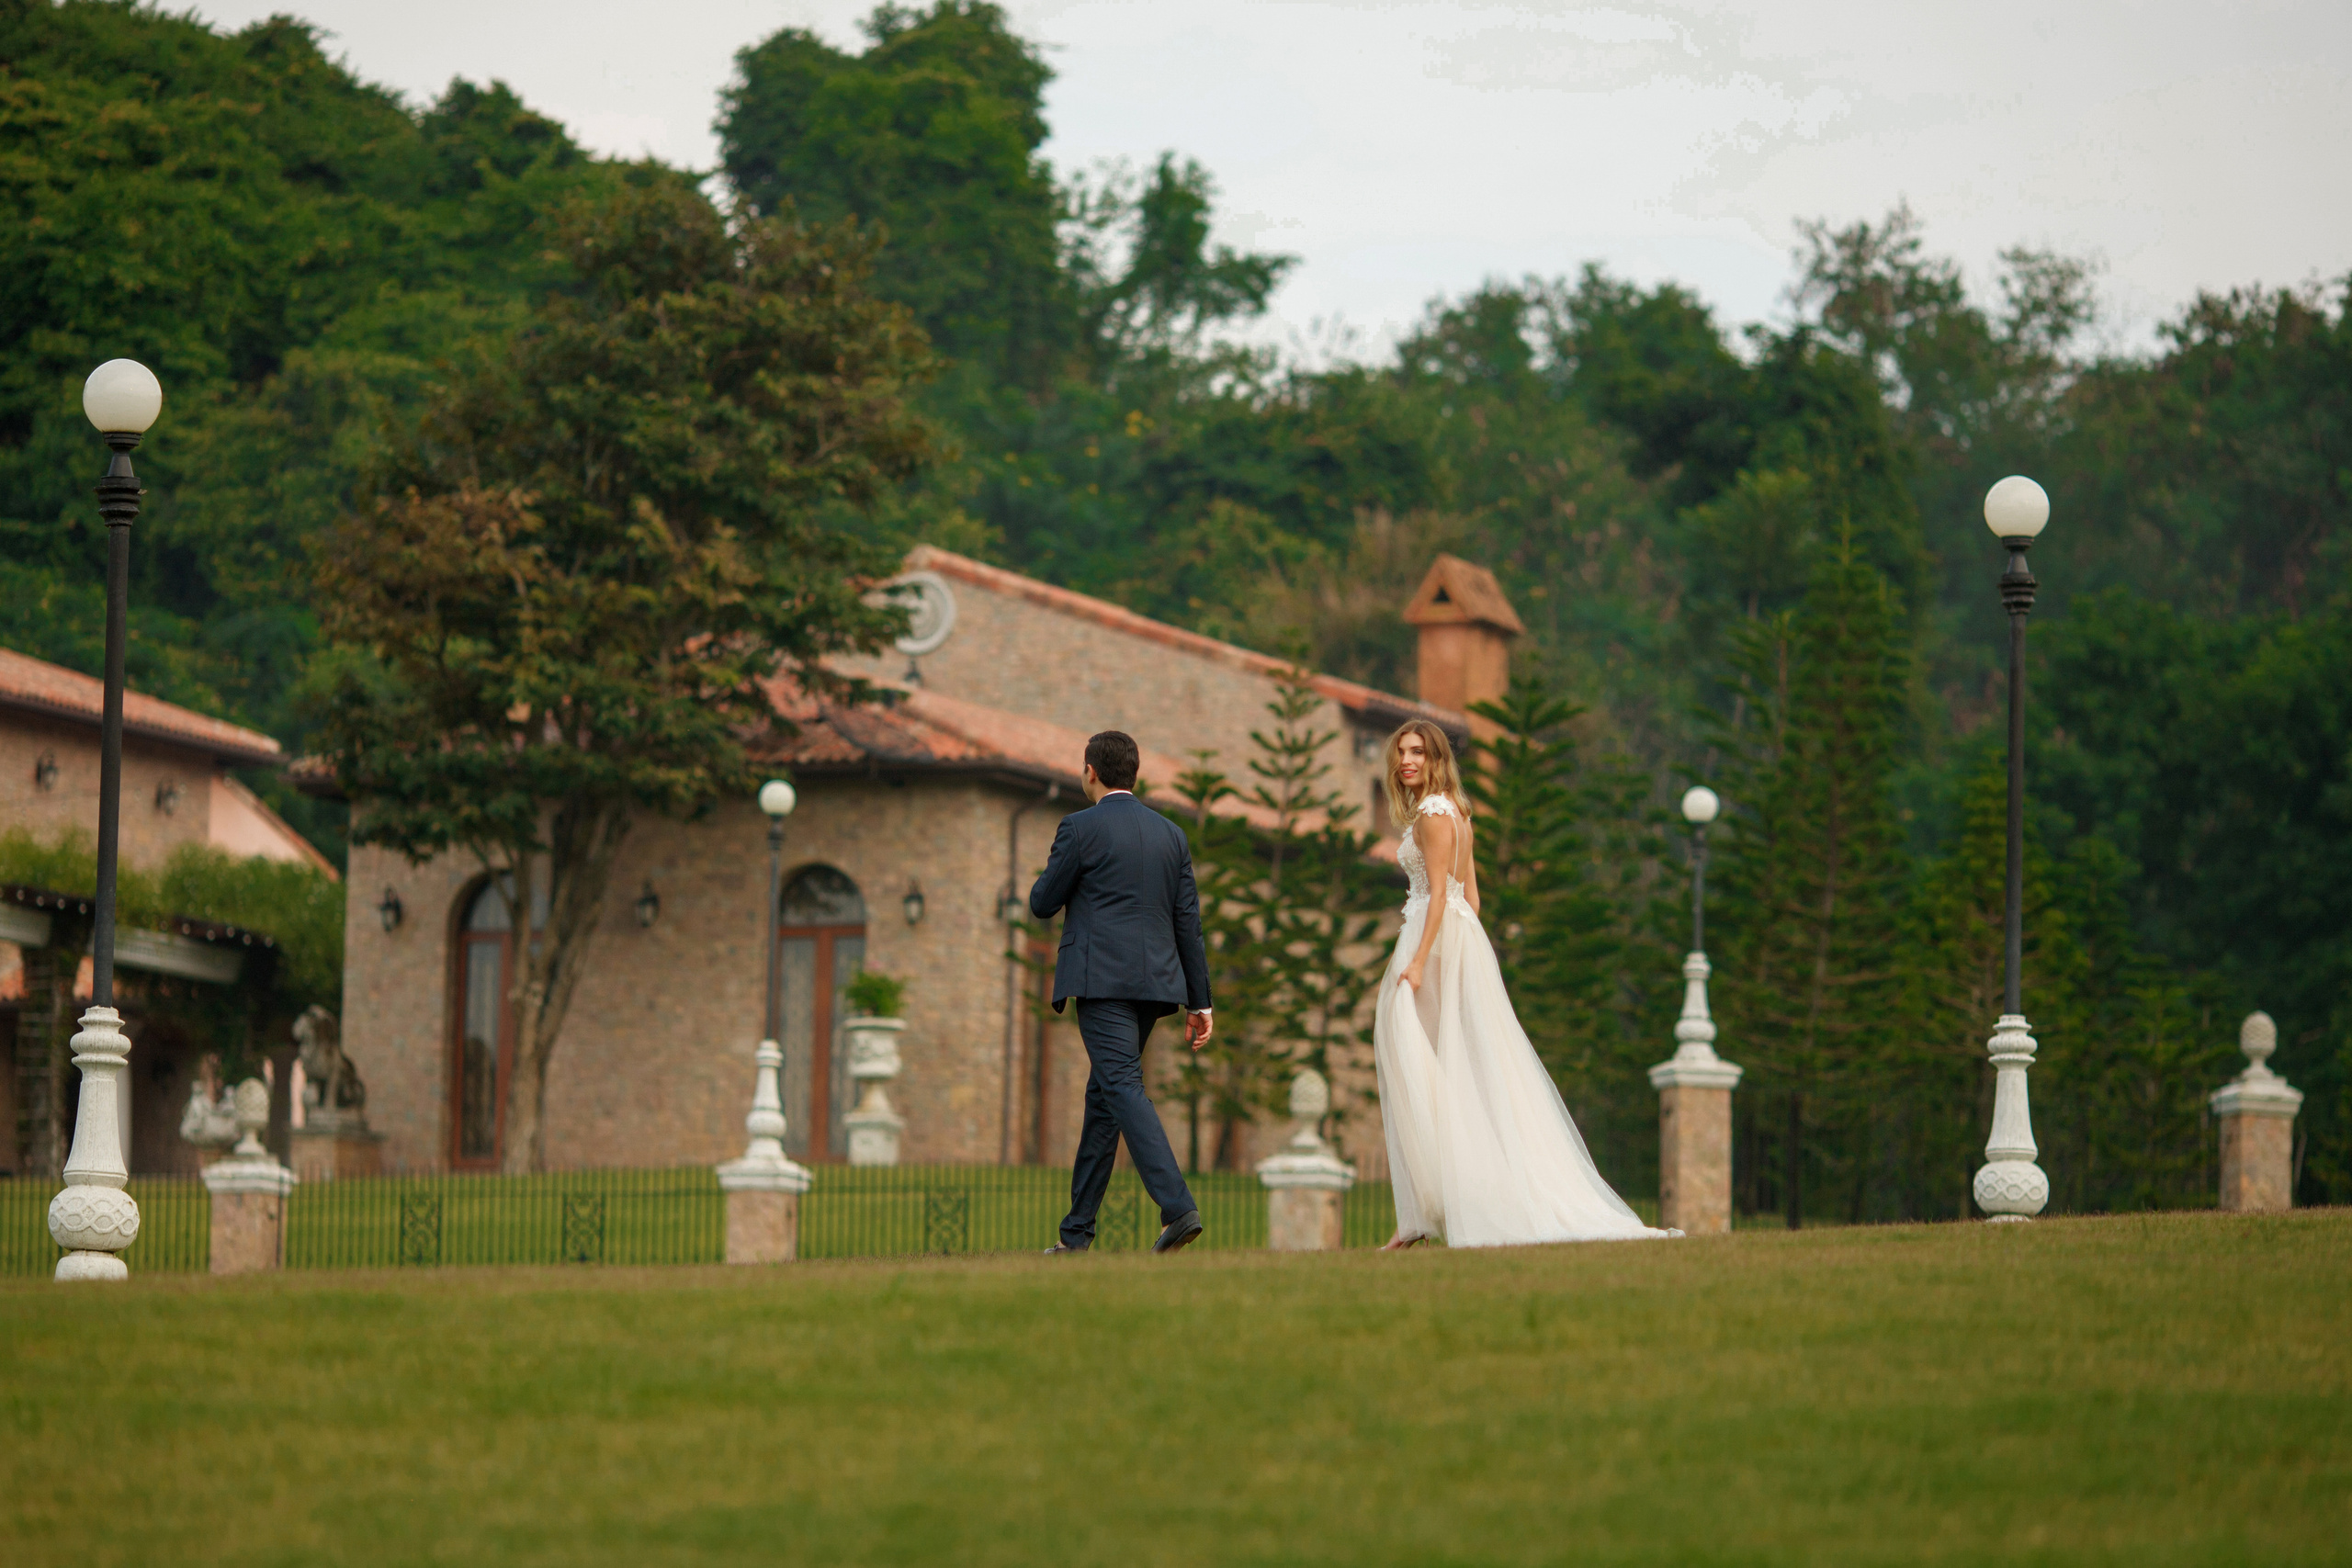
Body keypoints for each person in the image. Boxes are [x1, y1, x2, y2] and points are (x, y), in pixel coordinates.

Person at [1373, 718, 1676, 1249]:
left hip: (1431, 941)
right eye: (1402, 752)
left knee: (1420, 1069)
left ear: (1436, 757)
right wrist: (1466, 954)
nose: (1407, 761)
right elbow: (1474, 896)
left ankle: (1425, 1211)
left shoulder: (1431, 815)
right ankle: (1422, 1211)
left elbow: (1443, 895)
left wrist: (1422, 962)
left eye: (1418, 752)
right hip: (1454, 939)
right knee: (1449, 1069)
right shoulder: (1459, 812)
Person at [1029, 730, 1214, 1254]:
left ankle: (1177, 1208)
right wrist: (1200, 1002)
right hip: (1156, 987)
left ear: (1090, 770)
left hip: (1102, 982)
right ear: (1135, 772)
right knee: (1105, 1098)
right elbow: (1188, 924)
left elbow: (1043, 902)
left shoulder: (1079, 828)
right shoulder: (1171, 835)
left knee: (1123, 1088)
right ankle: (1076, 1236)